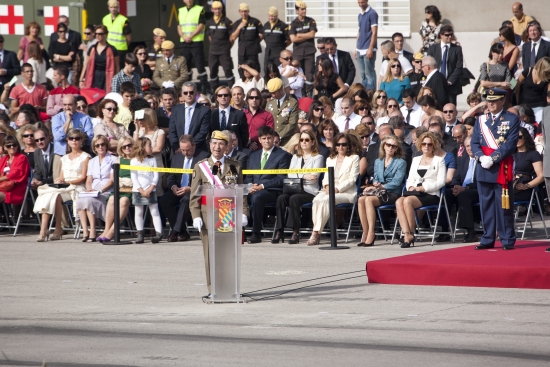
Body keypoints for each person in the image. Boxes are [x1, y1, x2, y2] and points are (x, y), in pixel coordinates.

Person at [190, 131, 248, 296]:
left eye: (221, 143)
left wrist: (244, 212)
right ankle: (213, 289)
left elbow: (240, 191)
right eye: (214, 143)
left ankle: (229, 288)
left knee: (229, 254)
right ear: (210, 145)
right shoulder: (201, 166)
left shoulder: (234, 166)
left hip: (228, 216)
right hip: (208, 217)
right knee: (211, 255)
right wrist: (195, 216)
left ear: (227, 146)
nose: (217, 147)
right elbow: (194, 195)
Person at [471, 88, 520, 251]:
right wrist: (481, 157)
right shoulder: (480, 120)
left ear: (502, 101)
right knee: (486, 205)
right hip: (483, 167)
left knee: (503, 205)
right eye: (488, 100)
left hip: (501, 167)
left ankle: (506, 238)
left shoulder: (511, 119)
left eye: (494, 100)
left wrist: (492, 158)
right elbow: (474, 143)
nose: (490, 103)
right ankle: (487, 238)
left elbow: (510, 144)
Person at [34, 129, 90, 242]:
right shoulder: (64, 158)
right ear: (67, 141)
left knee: (53, 195)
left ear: (81, 141)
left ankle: (55, 229)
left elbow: (83, 178)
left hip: (77, 187)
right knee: (49, 195)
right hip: (65, 187)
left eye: (77, 138)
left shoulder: (86, 157)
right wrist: (60, 180)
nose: (74, 140)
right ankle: (45, 229)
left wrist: (68, 182)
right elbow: (61, 176)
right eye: (71, 138)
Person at [307, 133, 360, 245]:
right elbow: (326, 177)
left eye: (344, 144)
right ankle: (316, 230)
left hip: (346, 192)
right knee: (316, 199)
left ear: (348, 146)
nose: (341, 147)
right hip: (329, 189)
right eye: (338, 144)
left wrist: (336, 189)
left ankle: (316, 233)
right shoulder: (330, 159)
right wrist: (327, 186)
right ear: (335, 146)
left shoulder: (354, 158)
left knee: (327, 200)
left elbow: (352, 179)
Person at [273, 129, 324, 244]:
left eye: (307, 140)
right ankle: (279, 230)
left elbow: (314, 177)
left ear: (312, 142)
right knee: (281, 198)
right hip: (294, 188)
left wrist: (298, 175)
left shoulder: (318, 157)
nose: (304, 142)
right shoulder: (296, 157)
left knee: (294, 198)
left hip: (309, 190)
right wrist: (304, 176)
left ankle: (295, 231)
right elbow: (290, 173)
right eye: (302, 140)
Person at [396, 131, 446, 248]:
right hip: (415, 192)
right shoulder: (416, 159)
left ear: (434, 145)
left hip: (431, 194)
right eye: (424, 144)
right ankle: (407, 233)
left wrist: (424, 188)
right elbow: (410, 179)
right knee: (399, 201)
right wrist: (411, 187)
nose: (426, 146)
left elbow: (441, 182)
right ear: (420, 145)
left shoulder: (439, 160)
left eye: (429, 144)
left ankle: (410, 233)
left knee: (407, 201)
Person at [245, 126, 292, 243]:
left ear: (273, 138)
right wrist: (249, 186)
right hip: (254, 189)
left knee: (257, 197)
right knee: (236, 195)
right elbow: (248, 176)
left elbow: (281, 178)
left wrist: (262, 186)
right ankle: (237, 231)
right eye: (264, 138)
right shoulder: (253, 155)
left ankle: (256, 233)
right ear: (259, 140)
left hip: (272, 190)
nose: (267, 141)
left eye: (269, 138)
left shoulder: (282, 155)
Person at [357, 135, 406, 247]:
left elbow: (397, 183)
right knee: (361, 200)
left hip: (393, 193)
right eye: (388, 145)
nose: (390, 148)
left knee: (368, 200)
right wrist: (375, 185)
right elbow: (377, 178)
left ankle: (371, 232)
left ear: (397, 149)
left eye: (394, 146)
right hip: (379, 191)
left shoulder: (401, 162)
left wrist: (381, 187)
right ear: (384, 146)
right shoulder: (378, 161)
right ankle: (365, 231)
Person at [76, 135, 114, 242]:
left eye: (102, 144)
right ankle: (85, 231)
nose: (100, 147)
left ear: (106, 146)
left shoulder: (113, 159)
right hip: (93, 190)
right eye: (97, 145)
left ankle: (92, 229)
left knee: (89, 201)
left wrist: (100, 190)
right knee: (81, 200)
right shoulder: (92, 161)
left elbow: (112, 180)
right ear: (94, 148)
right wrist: (89, 189)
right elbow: (89, 180)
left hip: (107, 190)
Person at [96, 137, 134, 242]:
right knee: (112, 199)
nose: (127, 148)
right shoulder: (118, 160)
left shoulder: (136, 159)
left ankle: (113, 230)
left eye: (129, 145)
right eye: (124, 146)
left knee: (124, 201)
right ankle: (107, 229)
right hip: (120, 188)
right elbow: (112, 179)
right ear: (120, 148)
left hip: (132, 189)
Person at [130, 137, 163, 244]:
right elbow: (134, 177)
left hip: (150, 190)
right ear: (142, 147)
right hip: (138, 190)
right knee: (138, 212)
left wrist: (151, 188)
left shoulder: (152, 159)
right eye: (149, 145)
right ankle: (140, 233)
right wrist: (141, 190)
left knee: (155, 211)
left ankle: (159, 233)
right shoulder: (134, 161)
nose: (151, 147)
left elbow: (156, 176)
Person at [51, 95, 94, 177]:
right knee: (59, 183)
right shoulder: (57, 118)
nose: (67, 107)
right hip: (61, 155)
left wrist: (70, 136)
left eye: (70, 104)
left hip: (80, 157)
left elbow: (89, 137)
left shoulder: (85, 118)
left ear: (75, 105)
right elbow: (57, 137)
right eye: (64, 105)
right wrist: (68, 120)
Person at [449, 136, 480, 242]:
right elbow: (456, 177)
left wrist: (465, 188)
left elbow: (481, 181)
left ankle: (471, 232)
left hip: (477, 190)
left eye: (472, 145)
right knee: (446, 194)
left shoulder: (482, 160)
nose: (470, 148)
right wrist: (455, 187)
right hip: (462, 189)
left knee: (463, 195)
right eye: (467, 146)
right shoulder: (463, 160)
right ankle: (445, 230)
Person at [168, 82, 211, 152]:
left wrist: (189, 146)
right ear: (182, 94)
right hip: (178, 151)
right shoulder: (176, 109)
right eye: (185, 93)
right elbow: (172, 131)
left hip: (197, 149)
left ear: (196, 93)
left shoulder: (205, 110)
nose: (188, 95)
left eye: (191, 92)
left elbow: (203, 132)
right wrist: (177, 147)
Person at [426, 25, 463, 104]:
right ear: (441, 35)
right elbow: (428, 64)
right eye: (447, 35)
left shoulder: (457, 49)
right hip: (436, 84)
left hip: (451, 86)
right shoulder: (433, 48)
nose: (449, 37)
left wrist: (450, 81)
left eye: (451, 35)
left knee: (449, 109)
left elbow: (459, 67)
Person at [177, 0, 208, 93]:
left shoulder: (200, 9)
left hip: (196, 42)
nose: (189, 0)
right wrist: (183, 36)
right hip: (184, 42)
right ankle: (188, 87)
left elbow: (201, 25)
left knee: (200, 66)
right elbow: (179, 25)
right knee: (186, 66)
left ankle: (204, 88)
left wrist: (191, 36)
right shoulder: (181, 10)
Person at [289, 1, 317, 97]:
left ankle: (308, 94)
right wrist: (307, 35)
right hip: (298, 53)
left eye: (305, 9)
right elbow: (293, 39)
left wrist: (300, 35)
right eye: (302, 9)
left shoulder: (311, 21)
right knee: (297, 73)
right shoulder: (293, 23)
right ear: (297, 10)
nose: (304, 11)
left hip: (309, 52)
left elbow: (312, 34)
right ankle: (297, 94)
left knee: (309, 74)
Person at [80, 25, 120, 92]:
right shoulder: (92, 48)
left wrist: (117, 81)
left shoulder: (112, 49)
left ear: (105, 35)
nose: (97, 35)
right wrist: (81, 80)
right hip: (93, 76)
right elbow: (86, 65)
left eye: (100, 34)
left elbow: (117, 67)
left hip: (107, 77)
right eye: (96, 34)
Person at [206, 1, 235, 91]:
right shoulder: (209, 22)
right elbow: (209, 36)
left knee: (228, 71)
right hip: (213, 51)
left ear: (222, 9)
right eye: (215, 9)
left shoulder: (227, 21)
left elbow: (232, 37)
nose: (217, 11)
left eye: (219, 9)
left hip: (224, 51)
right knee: (213, 72)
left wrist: (227, 47)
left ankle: (232, 89)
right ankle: (214, 91)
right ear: (212, 9)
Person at [513, 127, 544, 203]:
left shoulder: (533, 154)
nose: (516, 139)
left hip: (524, 187)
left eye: (519, 137)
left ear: (525, 137)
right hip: (510, 185)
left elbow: (541, 175)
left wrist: (526, 186)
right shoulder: (510, 154)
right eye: (514, 137)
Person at [265, 78, 299, 146]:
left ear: (281, 89)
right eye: (271, 93)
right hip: (271, 141)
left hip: (287, 141)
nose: (272, 95)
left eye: (274, 93)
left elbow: (292, 123)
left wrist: (278, 137)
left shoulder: (292, 102)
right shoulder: (270, 103)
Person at [231, 3, 264, 73]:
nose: (243, 13)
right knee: (241, 69)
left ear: (248, 11)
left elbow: (262, 33)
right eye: (242, 11)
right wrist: (239, 27)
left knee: (255, 68)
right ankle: (243, 82)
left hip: (253, 51)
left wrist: (256, 42)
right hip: (242, 51)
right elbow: (233, 37)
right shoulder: (237, 23)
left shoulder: (255, 21)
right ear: (239, 12)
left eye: (245, 11)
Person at [516, 57, 550, 123]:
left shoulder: (547, 77)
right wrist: (510, 91)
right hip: (524, 105)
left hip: (540, 106)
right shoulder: (528, 70)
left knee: (539, 124)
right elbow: (516, 83)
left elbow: (549, 92)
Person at [0, 135, 30, 207]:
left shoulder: (22, 158)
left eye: (14, 145)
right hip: (2, 187)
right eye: (9, 146)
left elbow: (15, 174)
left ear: (17, 146)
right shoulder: (4, 159)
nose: (12, 147)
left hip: (15, 189)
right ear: (4, 147)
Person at [102, 0, 131, 67]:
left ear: (118, 8)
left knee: (119, 68)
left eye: (115, 7)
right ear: (108, 8)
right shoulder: (105, 19)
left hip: (120, 50)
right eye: (111, 7)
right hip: (109, 48)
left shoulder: (123, 20)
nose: (113, 9)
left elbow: (128, 38)